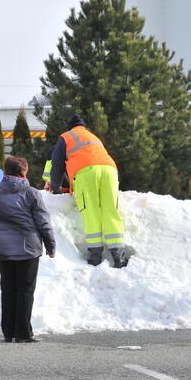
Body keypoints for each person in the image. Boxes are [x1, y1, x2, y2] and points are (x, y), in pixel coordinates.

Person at [0, 156, 55, 343]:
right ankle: (23, 333)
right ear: (24, 172)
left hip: (3, 248)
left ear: (6, 171)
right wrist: (50, 245)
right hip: (28, 248)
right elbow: (43, 223)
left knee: (8, 289)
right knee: (25, 290)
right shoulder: (31, 193)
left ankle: (8, 332)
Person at [51, 114, 128, 268]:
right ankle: (119, 256)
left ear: (69, 127)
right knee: (110, 210)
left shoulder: (66, 137)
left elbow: (57, 165)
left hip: (86, 173)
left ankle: (95, 256)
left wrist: (56, 188)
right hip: (110, 170)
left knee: (90, 211)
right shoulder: (92, 137)